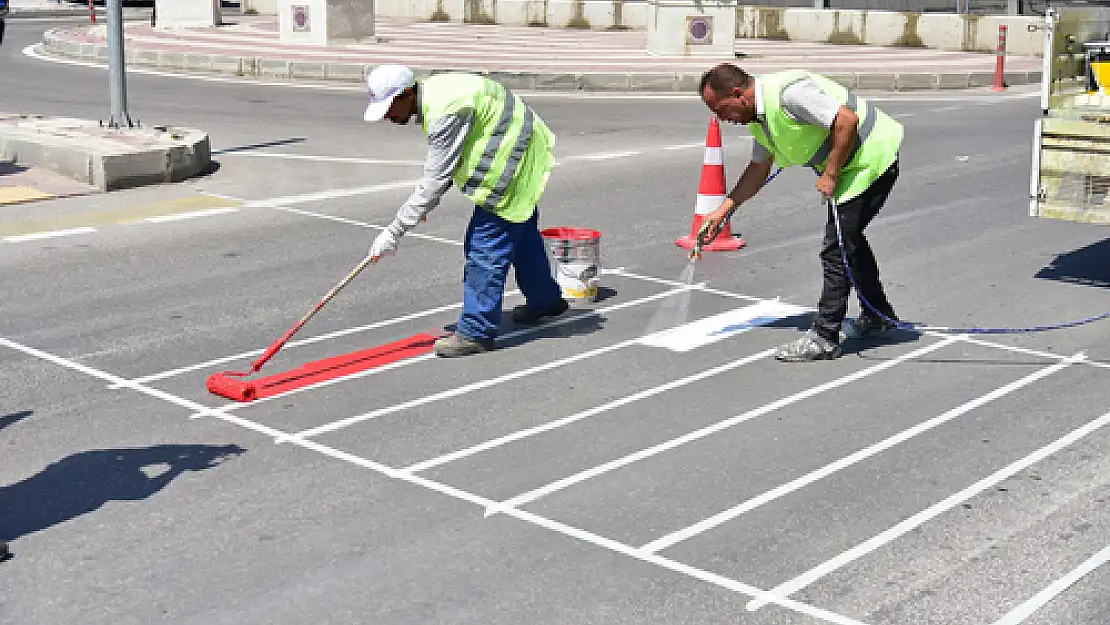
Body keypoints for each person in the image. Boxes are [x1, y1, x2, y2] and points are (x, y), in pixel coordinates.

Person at [696, 63, 904, 362]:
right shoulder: (760, 119)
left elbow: (846, 121)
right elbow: (758, 169)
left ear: (738, 94)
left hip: (871, 160)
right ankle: (878, 315)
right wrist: (723, 212)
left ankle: (825, 337)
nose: (721, 119)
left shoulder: (790, 95)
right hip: (851, 167)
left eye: (721, 109)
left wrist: (830, 174)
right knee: (849, 243)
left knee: (836, 248)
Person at [363, 65, 569, 358]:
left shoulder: (445, 112)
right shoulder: (435, 93)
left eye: (389, 108)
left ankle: (476, 330)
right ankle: (545, 300)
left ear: (408, 94)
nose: (386, 116)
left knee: (484, 246)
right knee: (520, 235)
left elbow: (435, 181)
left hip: (511, 162)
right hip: (525, 150)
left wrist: (394, 231)